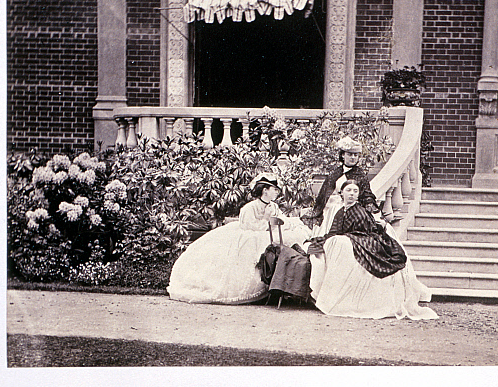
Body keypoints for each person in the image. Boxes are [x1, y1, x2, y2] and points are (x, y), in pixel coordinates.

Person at [167, 173, 311, 304]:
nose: (276, 192)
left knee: (285, 239)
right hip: (248, 234)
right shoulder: (250, 207)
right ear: (265, 190)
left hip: (267, 233)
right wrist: (267, 219)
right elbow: (251, 227)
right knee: (251, 245)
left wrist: (285, 222)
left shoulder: (274, 206)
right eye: (274, 189)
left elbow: (281, 220)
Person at [305, 180, 438, 320]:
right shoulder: (341, 211)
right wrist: (321, 240)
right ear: (341, 193)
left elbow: (365, 232)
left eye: (355, 191)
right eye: (348, 190)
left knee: (340, 244)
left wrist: (344, 238)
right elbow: (334, 231)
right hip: (355, 238)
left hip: (367, 239)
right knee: (326, 246)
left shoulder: (359, 211)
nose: (351, 194)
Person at [303, 136, 381, 237]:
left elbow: (366, 194)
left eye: (355, 155)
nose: (353, 157)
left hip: (347, 210)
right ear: (343, 155)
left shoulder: (360, 175)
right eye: (349, 154)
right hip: (329, 209)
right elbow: (323, 193)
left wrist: (373, 210)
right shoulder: (335, 173)